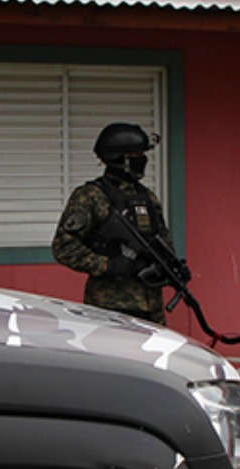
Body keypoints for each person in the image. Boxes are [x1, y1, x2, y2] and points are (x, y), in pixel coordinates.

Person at [52, 122, 180, 324]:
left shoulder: (147, 197)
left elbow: (162, 240)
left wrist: (169, 266)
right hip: (110, 309)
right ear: (121, 159)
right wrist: (106, 265)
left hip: (150, 307)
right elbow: (64, 247)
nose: (143, 160)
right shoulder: (91, 196)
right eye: (137, 155)